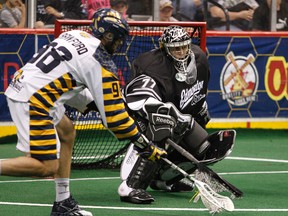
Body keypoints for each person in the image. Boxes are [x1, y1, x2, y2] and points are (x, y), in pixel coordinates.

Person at [1, 8, 166, 215]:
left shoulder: (75, 35)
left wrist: (100, 103)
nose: (119, 44)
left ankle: (63, 203)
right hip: (35, 100)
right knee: (45, 167)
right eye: (118, 39)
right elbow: (115, 122)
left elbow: (69, 77)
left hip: (31, 87)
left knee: (67, 132)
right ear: (108, 36)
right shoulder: (101, 62)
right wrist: (145, 146)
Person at [117, 25, 234, 204]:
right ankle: (131, 186)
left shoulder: (199, 58)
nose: (180, 51)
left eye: (184, 46)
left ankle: (163, 179)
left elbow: (198, 93)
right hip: (142, 119)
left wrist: (197, 111)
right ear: (164, 48)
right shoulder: (151, 65)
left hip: (176, 116)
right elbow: (137, 100)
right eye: (175, 48)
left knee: (201, 138)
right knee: (163, 123)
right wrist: (174, 115)